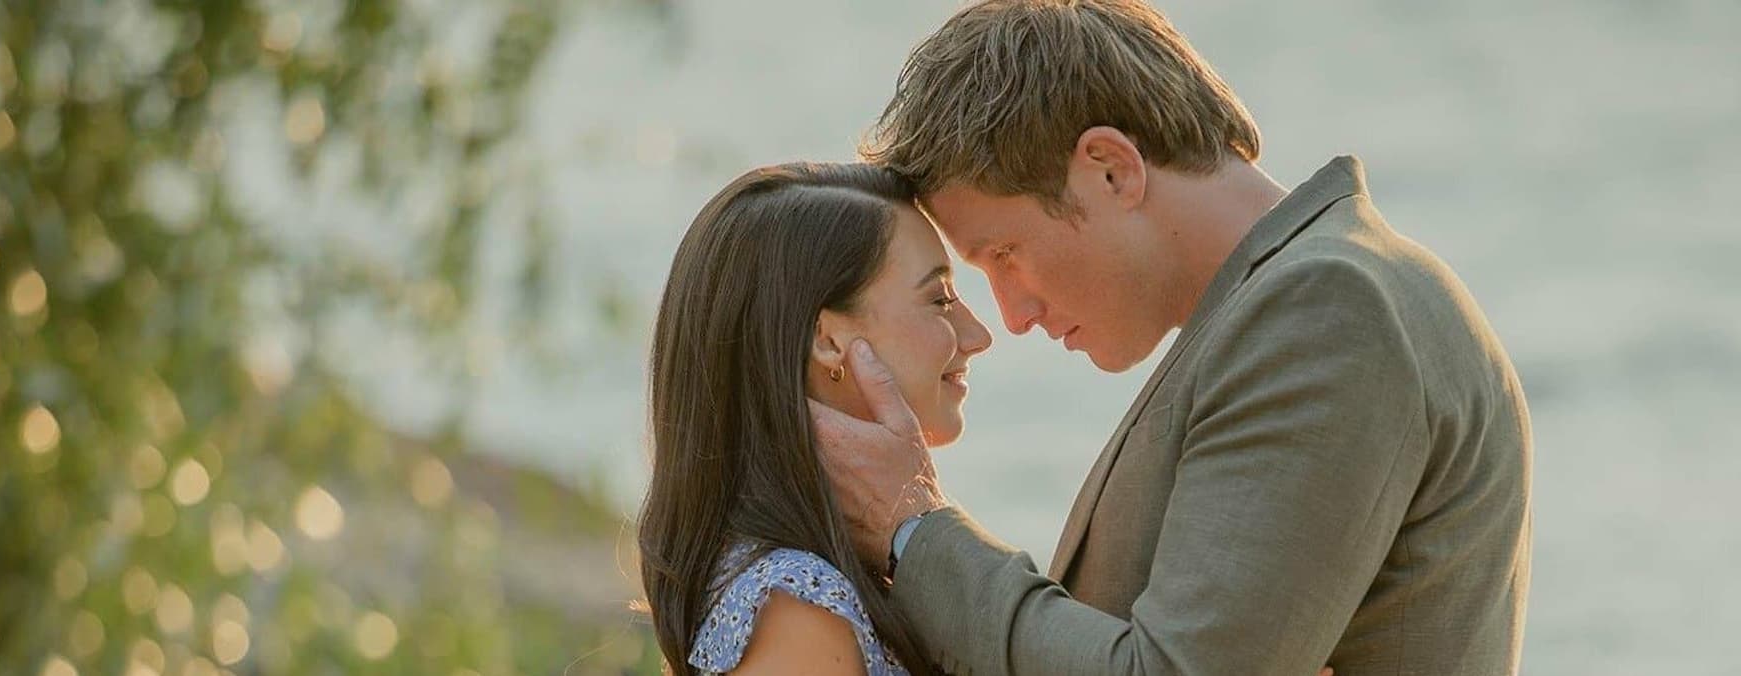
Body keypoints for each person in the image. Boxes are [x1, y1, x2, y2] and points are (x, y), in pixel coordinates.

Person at [811, 1, 1534, 674]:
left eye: (1004, 253)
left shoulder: (1325, 308)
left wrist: (913, 527)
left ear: (1110, 170)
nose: (1013, 314)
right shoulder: (1298, 299)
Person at [636, 162, 993, 675]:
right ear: (826, 341)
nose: (978, 335)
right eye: (939, 299)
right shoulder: (798, 609)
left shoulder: (814, 579)